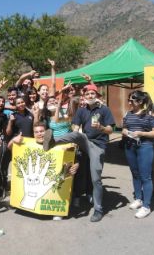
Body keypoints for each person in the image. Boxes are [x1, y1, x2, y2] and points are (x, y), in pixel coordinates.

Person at [43, 84, 115, 222]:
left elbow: (111, 130)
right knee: (76, 135)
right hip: (85, 140)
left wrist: (101, 127)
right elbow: (75, 128)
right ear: (84, 96)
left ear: (96, 95)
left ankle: (98, 209)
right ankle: (52, 142)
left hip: (98, 146)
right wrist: (71, 141)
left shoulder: (104, 110)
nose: (90, 96)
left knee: (96, 179)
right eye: (87, 94)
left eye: (92, 94)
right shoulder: (81, 110)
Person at [122, 90, 154, 219]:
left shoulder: (150, 114)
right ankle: (138, 199)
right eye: (129, 100)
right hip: (130, 146)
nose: (129, 102)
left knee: (145, 177)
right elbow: (124, 128)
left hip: (145, 147)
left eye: (131, 100)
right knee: (135, 173)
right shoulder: (128, 113)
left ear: (140, 101)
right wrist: (126, 132)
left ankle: (146, 206)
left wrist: (142, 133)